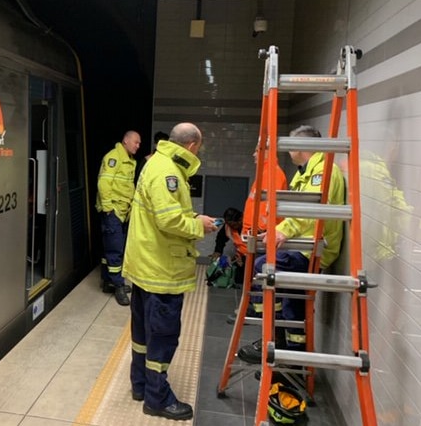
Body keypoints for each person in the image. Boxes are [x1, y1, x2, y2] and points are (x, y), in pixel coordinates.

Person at [122, 122, 218, 421]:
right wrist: (197, 225)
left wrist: (191, 215)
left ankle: (140, 385)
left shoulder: (156, 164)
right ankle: (157, 398)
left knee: (142, 334)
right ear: (191, 146)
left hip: (145, 265)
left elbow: (160, 213)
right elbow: (168, 221)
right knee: (163, 337)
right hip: (161, 271)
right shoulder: (168, 172)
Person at [238, 125, 344, 362]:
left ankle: (272, 339)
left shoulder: (323, 172)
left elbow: (309, 209)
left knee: (264, 267)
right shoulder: (304, 171)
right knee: (291, 302)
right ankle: (286, 351)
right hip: (302, 245)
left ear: (300, 147)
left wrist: (281, 231)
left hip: (311, 249)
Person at [226, 137, 288, 323]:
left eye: (257, 150)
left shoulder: (273, 174)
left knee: (258, 276)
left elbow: (268, 210)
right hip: (255, 235)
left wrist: (258, 230)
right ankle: (253, 308)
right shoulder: (266, 172)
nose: (253, 154)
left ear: (267, 151)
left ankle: (257, 312)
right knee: (253, 276)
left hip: (261, 236)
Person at [95, 130, 141, 305]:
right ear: (126, 141)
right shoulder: (113, 158)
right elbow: (104, 183)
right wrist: (108, 208)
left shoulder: (130, 161)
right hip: (113, 210)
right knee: (116, 249)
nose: (138, 146)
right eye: (136, 142)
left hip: (123, 211)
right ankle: (119, 285)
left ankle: (108, 282)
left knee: (110, 248)